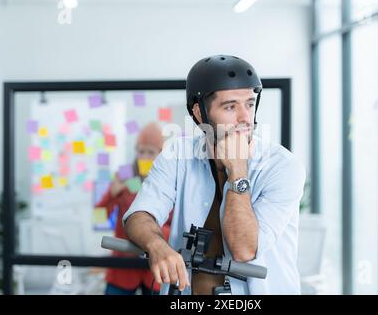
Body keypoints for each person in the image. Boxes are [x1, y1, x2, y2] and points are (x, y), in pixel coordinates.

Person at [123, 55, 306, 295]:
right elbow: (140, 214)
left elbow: (244, 250)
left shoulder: (282, 167)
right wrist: (156, 245)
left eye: (250, 104)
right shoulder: (178, 155)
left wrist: (237, 170)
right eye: (230, 106)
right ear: (200, 114)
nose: (244, 118)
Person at [96, 122, 172, 295]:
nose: (144, 156)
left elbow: (177, 224)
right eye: (141, 151)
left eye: (150, 152)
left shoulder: (169, 179)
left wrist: (148, 234)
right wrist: (111, 195)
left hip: (156, 266)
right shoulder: (123, 175)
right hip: (123, 267)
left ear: (160, 154)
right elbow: (98, 217)